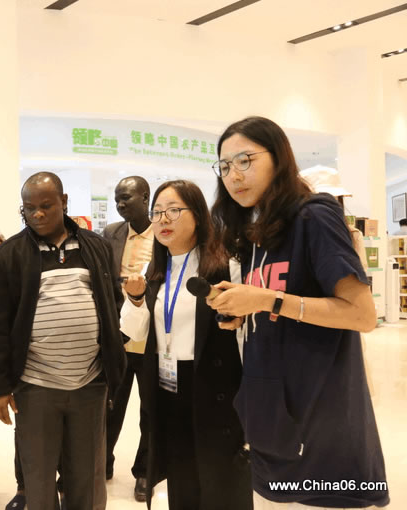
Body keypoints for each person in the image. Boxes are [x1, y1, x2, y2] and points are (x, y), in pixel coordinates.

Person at [208, 116, 389, 508]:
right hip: (271, 416)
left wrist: (267, 300)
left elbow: (362, 315)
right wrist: (243, 309)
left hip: (320, 418)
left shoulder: (314, 216)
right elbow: (278, 304)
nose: (233, 175)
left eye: (245, 160)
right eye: (224, 166)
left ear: (279, 158)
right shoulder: (256, 232)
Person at [0, 172, 126, 510]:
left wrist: (111, 356)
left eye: (46, 206)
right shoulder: (10, 255)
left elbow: (113, 303)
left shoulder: (96, 247)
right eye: (28, 208)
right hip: (36, 385)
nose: (37, 214)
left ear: (64, 202)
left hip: (90, 383)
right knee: (39, 475)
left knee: (87, 476)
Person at [120, 180, 251, 510]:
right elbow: (134, 331)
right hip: (168, 387)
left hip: (214, 387)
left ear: (199, 216)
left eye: (174, 210)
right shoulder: (155, 270)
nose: (163, 219)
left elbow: (244, 333)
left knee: (221, 483)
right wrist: (135, 300)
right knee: (182, 481)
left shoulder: (226, 266)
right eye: (157, 212)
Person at [102, 175, 153, 501]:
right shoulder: (112, 233)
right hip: (119, 335)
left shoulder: (164, 234)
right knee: (110, 407)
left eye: (127, 198)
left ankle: (145, 471)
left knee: (150, 411)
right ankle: (102, 462)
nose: (121, 204)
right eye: (117, 199)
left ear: (145, 197)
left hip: (152, 338)